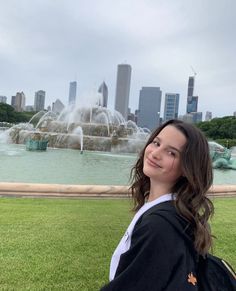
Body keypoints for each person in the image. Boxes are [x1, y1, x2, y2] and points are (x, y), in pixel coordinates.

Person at [100, 119, 214, 291]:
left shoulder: (159, 225)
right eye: (156, 143)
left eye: (171, 153)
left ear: (187, 168)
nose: (155, 153)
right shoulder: (172, 212)